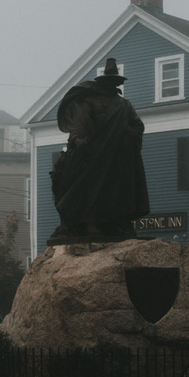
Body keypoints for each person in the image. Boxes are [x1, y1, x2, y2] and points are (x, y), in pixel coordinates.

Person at [50, 58, 149, 242]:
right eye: (111, 81)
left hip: (119, 158)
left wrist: (128, 133)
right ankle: (89, 223)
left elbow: (137, 126)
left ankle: (116, 224)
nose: (114, 85)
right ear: (103, 82)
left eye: (116, 82)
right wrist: (78, 139)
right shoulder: (88, 101)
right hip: (95, 156)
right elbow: (79, 123)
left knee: (118, 193)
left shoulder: (124, 105)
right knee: (91, 190)